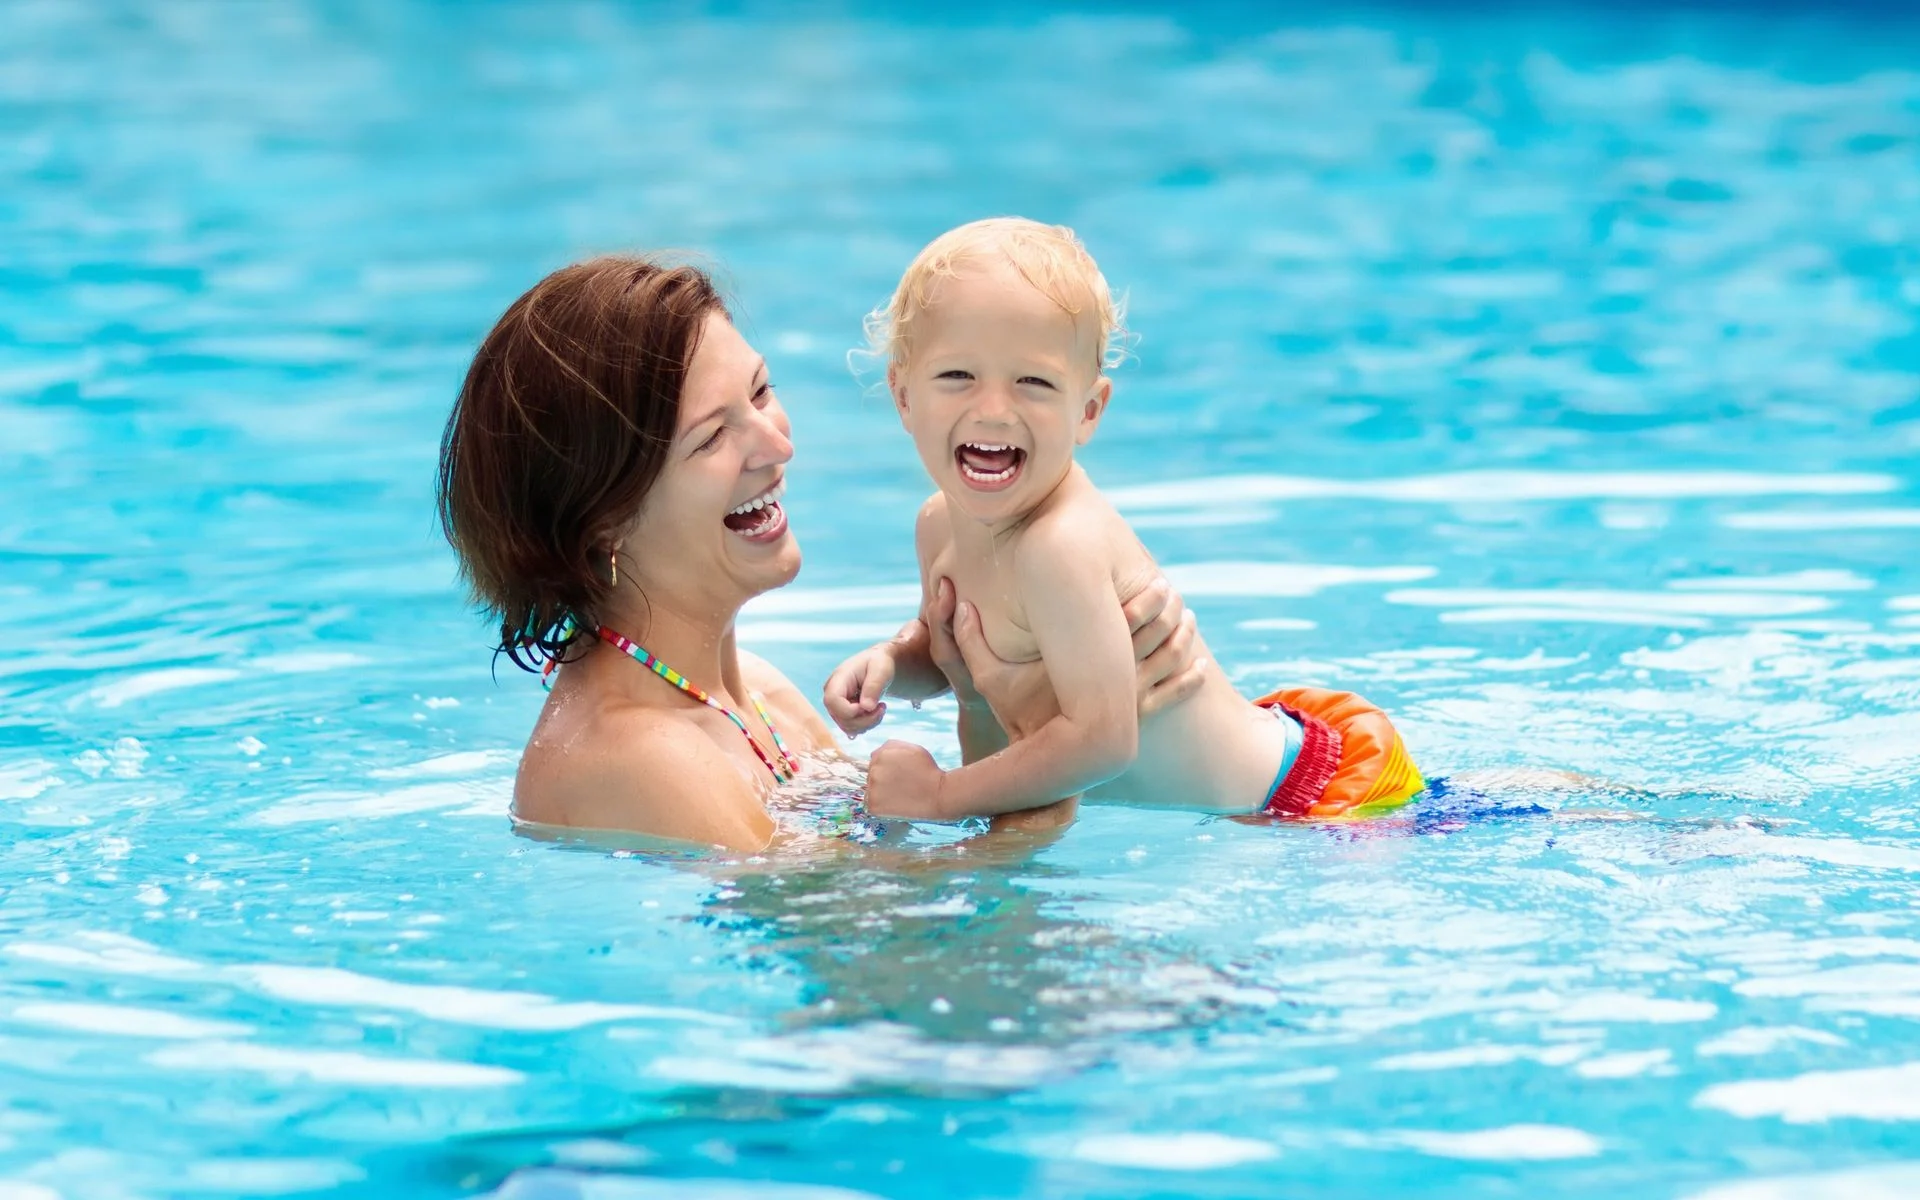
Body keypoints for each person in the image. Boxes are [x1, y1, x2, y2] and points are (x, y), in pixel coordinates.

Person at [435, 255, 1205, 852]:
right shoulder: (634, 758)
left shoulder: (753, 695)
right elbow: (877, 951)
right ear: (602, 521)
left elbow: (893, 872)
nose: (777, 444)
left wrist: (1043, 677)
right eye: (713, 436)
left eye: (762, 393)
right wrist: (1059, 756)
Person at [826, 219, 1425, 824]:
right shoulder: (938, 526)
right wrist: (894, 664)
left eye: (1032, 381)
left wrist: (942, 798)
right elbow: (964, 650)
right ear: (903, 396)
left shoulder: (1059, 545)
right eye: (957, 376)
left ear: (1087, 411)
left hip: (1307, 800)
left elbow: (1104, 741)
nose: (993, 409)